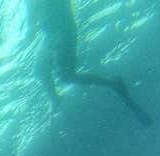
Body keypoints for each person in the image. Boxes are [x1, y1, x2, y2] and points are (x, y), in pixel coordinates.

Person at [25, 0, 153, 126]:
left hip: (63, 31)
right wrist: (31, 26)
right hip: (50, 34)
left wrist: (31, 27)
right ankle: (55, 99)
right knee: (40, 70)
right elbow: (32, 17)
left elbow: (33, 18)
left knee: (67, 76)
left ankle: (112, 83)